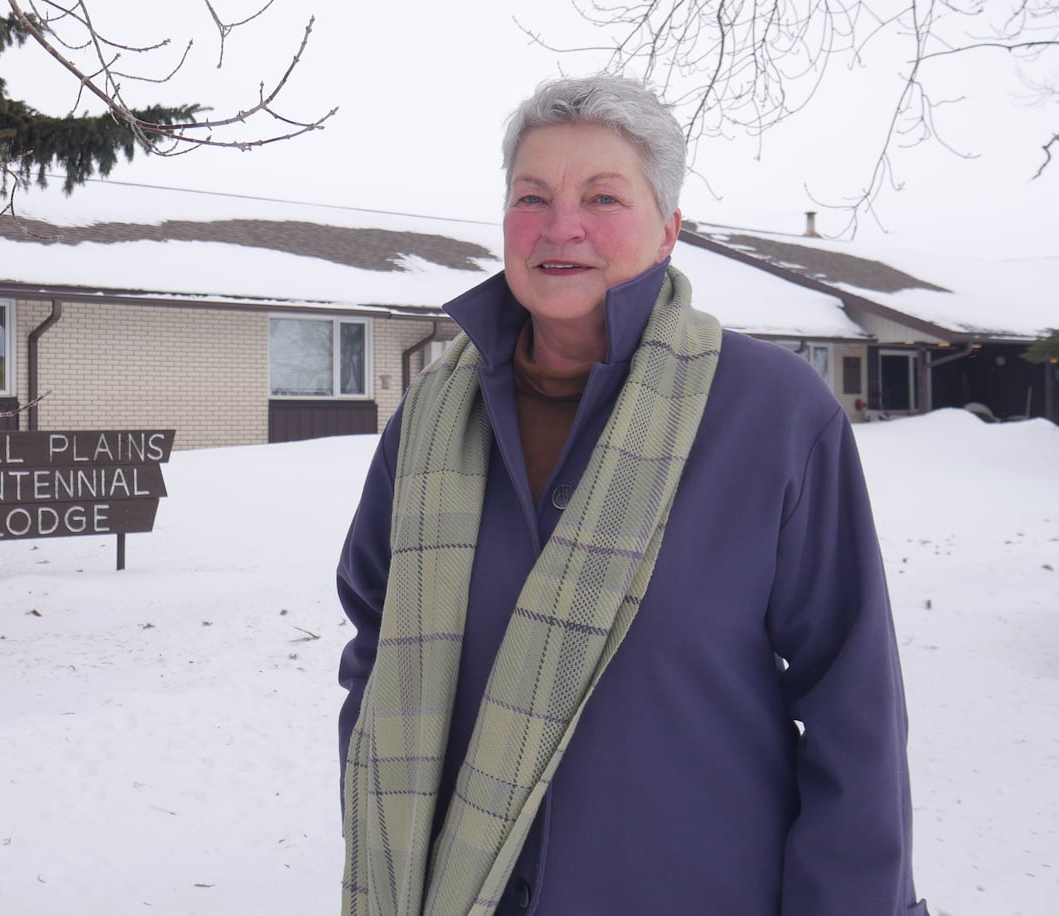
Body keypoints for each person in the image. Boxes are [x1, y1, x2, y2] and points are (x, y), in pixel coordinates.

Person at [336, 75, 928, 916]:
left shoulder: (773, 414)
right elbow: (376, 636)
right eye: (531, 196)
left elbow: (852, 701)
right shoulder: (431, 422)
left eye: (602, 196)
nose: (560, 226)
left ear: (668, 231)